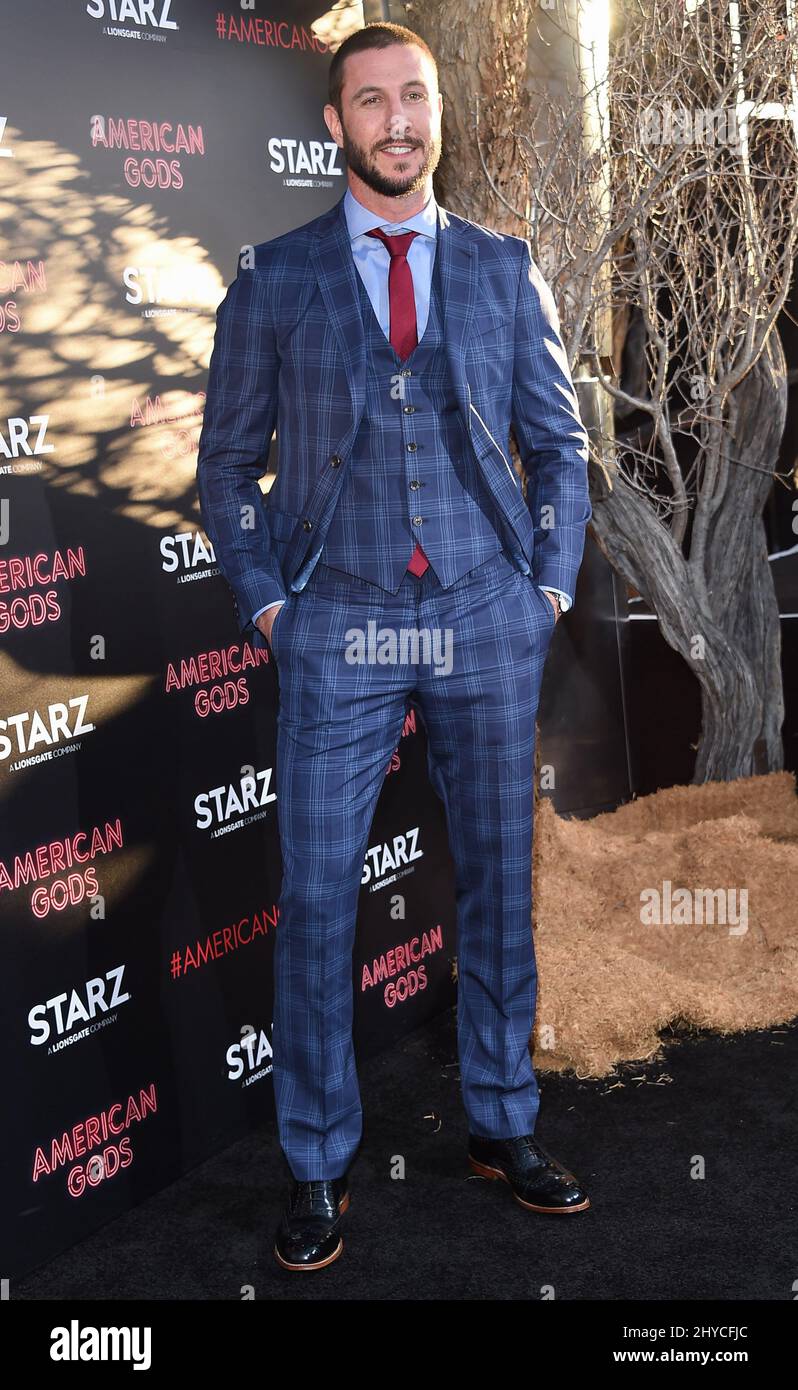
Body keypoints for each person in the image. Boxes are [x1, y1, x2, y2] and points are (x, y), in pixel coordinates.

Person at [197, 20, 592, 1274]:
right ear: (336, 125)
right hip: (335, 627)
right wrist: (271, 607)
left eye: (414, 96)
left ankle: (503, 1122)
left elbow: (562, 446)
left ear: (438, 112)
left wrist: (547, 590)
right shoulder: (272, 277)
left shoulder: (502, 266)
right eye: (371, 102)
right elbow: (225, 468)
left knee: (499, 883)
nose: (398, 119)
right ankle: (317, 1162)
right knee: (317, 903)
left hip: (487, 615)